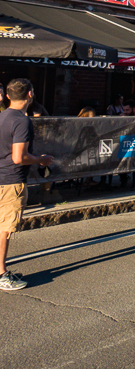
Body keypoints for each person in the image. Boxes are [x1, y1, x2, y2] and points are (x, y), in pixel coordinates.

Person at [0, 79, 54, 291]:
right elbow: (18, 157)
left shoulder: (2, 116)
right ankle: (2, 274)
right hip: (11, 180)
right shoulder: (22, 121)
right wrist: (40, 160)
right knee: (4, 229)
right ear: (30, 94)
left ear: (7, 96)